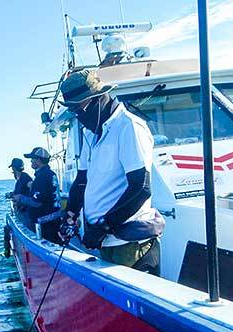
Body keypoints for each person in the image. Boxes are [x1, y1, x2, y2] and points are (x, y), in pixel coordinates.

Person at [59, 69, 163, 274]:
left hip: (130, 245)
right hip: (107, 243)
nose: (78, 117)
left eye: (80, 110)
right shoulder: (90, 133)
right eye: (73, 112)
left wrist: (103, 227)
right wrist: (70, 214)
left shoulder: (128, 127)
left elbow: (141, 187)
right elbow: (81, 181)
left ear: (98, 99)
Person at [13, 147, 62, 243]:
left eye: (33, 158)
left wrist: (20, 198)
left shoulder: (42, 177)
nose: (31, 161)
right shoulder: (51, 174)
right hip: (54, 220)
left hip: (46, 224)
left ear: (39, 160)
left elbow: (37, 203)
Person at [5, 157, 33, 224]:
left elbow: (32, 187)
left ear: (14, 168)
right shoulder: (19, 180)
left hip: (26, 213)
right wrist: (11, 194)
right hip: (22, 212)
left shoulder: (25, 177)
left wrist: (25, 200)